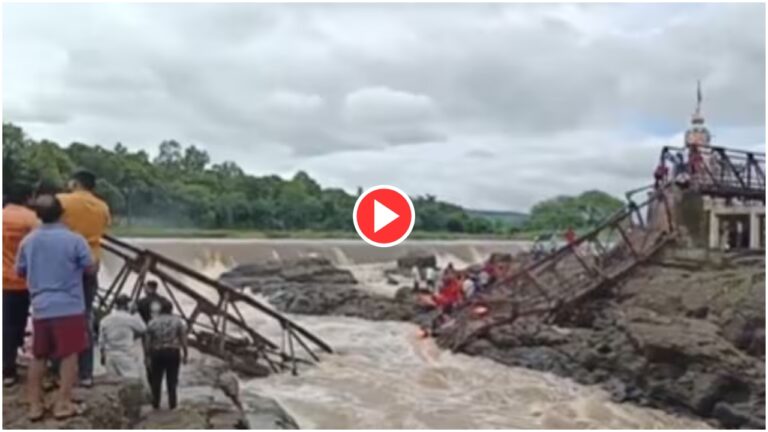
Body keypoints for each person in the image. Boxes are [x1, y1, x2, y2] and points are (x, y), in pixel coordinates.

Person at [15, 195, 93, 421]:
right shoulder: (75, 240)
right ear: (61, 213)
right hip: (69, 306)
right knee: (69, 355)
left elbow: (20, 270)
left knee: (38, 356)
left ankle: (34, 406)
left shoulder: (28, 241)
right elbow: (89, 269)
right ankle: (62, 403)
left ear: (37, 214)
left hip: (40, 306)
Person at [57, 170, 111, 388]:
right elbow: (104, 229)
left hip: (63, 263)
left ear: (76, 183)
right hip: (91, 264)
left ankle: (59, 368)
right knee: (85, 316)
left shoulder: (62, 200)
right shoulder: (103, 206)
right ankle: (86, 372)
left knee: (59, 313)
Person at [3, 184, 39, 387]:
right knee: (19, 323)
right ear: (27, 198)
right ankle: (12, 365)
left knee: (6, 325)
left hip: (3, 282)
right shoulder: (31, 219)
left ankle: (7, 369)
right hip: (24, 281)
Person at [145, 302, 188, 410]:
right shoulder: (178, 322)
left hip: (157, 352)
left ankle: (156, 403)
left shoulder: (152, 322)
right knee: (172, 379)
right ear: (171, 310)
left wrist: (147, 356)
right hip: (173, 352)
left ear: (160, 310)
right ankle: (172, 404)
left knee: (156, 379)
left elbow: (148, 342)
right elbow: (183, 338)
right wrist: (185, 353)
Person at [98, 294, 146, 379]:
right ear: (127, 305)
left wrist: (102, 355)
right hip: (125, 355)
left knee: (113, 385)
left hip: (110, 356)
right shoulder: (130, 319)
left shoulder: (105, 319)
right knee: (132, 381)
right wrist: (136, 313)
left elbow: (101, 341)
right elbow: (143, 329)